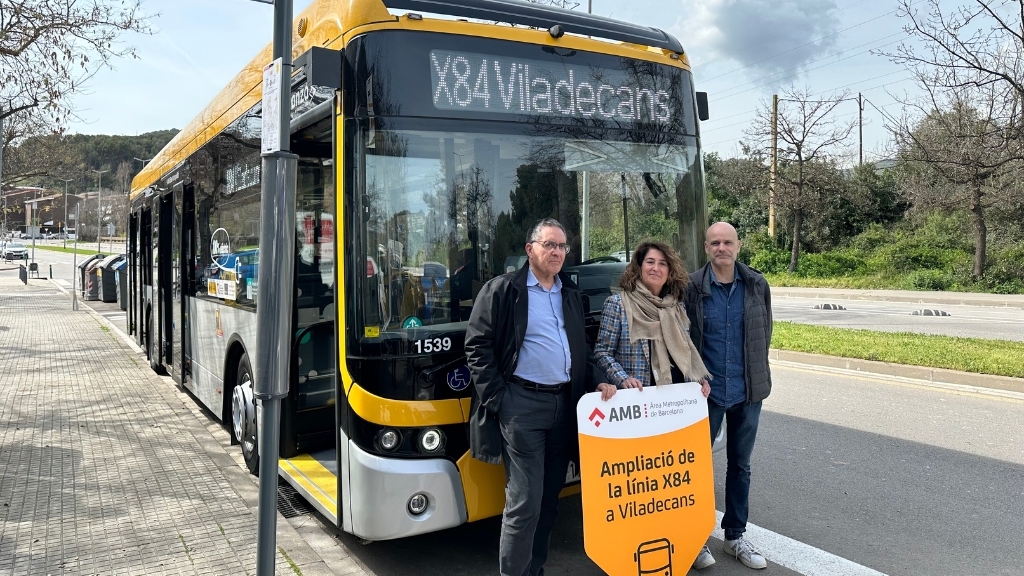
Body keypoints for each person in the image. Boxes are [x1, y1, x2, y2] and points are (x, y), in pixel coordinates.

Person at [465, 218, 613, 576]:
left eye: (562, 246)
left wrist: (598, 381)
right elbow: (477, 346)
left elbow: (582, 348)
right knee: (525, 501)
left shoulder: (569, 293)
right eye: (549, 244)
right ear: (530, 249)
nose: (557, 252)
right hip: (521, 407)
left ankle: (535, 570)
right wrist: (500, 399)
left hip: (564, 406)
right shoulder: (503, 290)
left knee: (549, 500)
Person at [593, 240, 715, 570]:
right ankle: (638, 547)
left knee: (676, 483)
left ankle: (690, 543)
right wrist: (622, 379)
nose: (656, 268)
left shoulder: (676, 307)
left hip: (673, 410)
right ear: (638, 267)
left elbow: (685, 354)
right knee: (642, 488)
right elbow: (601, 352)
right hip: (638, 412)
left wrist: (697, 381)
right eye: (650, 262)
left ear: (670, 270)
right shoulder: (618, 304)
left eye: (662, 263)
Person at [684, 222, 773, 570]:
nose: (722, 248)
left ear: (738, 246)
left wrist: (754, 376)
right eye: (715, 243)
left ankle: (735, 536)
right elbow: (684, 340)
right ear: (706, 248)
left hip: (747, 392)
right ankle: (695, 540)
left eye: (728, 242)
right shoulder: (691, 287)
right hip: (705, 395)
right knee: (695, 469)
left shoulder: (756, 284)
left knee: (740, 466)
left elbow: (763, 334)